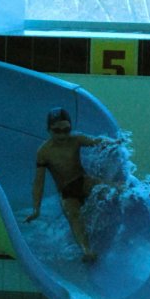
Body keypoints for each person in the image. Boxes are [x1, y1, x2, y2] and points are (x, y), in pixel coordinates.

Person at [25, 107, 118, 262]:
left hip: (82, 181)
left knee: (103, 188)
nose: (62, 135)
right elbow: (39, 182)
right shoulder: (44, 152)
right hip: (67, 191)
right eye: (57, 130)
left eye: (66, 129)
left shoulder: (76, 139)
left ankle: (127, 193)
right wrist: (36, 209)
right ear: (49, 130)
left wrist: (114, 143)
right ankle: (86, 250)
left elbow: (97, 142)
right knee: (73, 215)